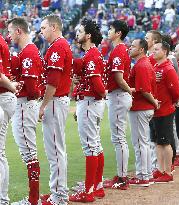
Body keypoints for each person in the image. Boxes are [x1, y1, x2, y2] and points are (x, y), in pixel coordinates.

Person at [69, 18, 106, 203]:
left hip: (90, 102)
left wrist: (101, 94)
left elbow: (98, 86)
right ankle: (97, 187)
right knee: (96, 144)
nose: (77, 34)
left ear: (89, 35)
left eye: (81, 31)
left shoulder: (91, 55)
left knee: (90, 146)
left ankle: (88, 191)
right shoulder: (92, 54)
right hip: (91, 102)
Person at [7, 17, 43, 205]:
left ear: (19, 31)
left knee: (29, 153)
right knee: (29, 153)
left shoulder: (28, 52)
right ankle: (33, 199)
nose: (9, 35)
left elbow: (32, 89)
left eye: (10, 31)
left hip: (24, 105)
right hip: (25, 106)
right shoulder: (29, 51)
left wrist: (15, 86)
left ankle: (33, 200)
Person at [39, 14, 73, 205]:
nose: (41, 31)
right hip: (58, 100)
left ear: (54, 27)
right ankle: (58, 192)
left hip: (54, 102)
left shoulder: (58, 47)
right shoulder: (59, 46)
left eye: (43, 28)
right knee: (57, 149)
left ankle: (59, 196)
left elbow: (52, 82)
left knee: (55, 151)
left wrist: (42, 106)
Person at [104, 20, 132, 190]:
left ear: (118, 33)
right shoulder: (119, 50)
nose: (108, 31)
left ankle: (122, 178)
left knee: (119, 138)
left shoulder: (119, 50)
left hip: (118, 95)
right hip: (118, 95)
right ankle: (121, 175)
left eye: (111, 28)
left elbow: (119, 78)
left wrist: (129, 91)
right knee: (118, 137)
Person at [128, 39, 158, 187]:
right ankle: (146, 174)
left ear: (141, 49)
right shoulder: (144, 63)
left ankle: (143, 176)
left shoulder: (142, 65)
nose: (130, 48)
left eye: (133, 46)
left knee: (140, 143)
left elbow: (144, 90)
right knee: (143, 143)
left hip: (141, 107)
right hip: (143, 107)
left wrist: (154, 102)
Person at [150, 41, 179, 183]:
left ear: (165, 52)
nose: (153, 51)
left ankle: (168, 171)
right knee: (158, 141)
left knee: (165, 141)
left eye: (156, 49)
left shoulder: (168, 68)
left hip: (165, 110)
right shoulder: (156, 67)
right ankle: (160, 169)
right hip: (156, 110)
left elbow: (175, 91)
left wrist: (170, 102)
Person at [0, 33, 20, 205]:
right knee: (0, 153)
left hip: (3, 96)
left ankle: (2, 199)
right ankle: (3, 199)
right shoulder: (1, 40)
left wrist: (11, 87)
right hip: (6, 97)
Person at [144, 30, 162, 174]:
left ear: (155, 42)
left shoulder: (153, 59)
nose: (145, 40)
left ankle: (155, 166)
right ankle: (154, 165)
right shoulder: (149, 58)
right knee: (152, 136)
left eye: (147, 38)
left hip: (154, 100)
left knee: (154, 136)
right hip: (152, 100)